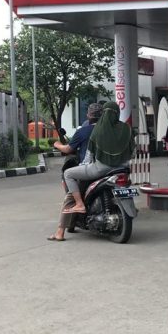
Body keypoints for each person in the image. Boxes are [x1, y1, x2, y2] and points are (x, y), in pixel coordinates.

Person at [62, 101, 135, 215]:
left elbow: (89, 156)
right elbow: (133, 151)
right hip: (123, 169)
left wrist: (82, 166)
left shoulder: (98, 129)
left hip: (101, 169)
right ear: (118, 113)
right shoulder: (127, 128)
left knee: (68, 174)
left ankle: (80, 204)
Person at [47, 103, 102, 241]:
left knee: (70, 195)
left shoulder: (83, 131)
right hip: (111, 168)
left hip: (90, 169)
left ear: (88, 115)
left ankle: (60, 232)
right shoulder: (108, 130)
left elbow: (68, 149)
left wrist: (57, 145)